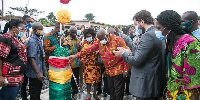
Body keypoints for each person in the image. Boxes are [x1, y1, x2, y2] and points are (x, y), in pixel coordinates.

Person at [113, 10, 166, 100]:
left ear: (142, 21)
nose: (136, 27)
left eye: (136, 24)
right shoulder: (156, 33)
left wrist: (123, 54)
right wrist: (130, 53)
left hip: (146, 84)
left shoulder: (148, 36)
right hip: (154, 82)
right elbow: (147, 55)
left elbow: (137, 61)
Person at [69, 29, 129, 100]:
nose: (101, 41)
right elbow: (88, 49)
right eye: (99, 39)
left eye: (102, 39)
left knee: (118, 92)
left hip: (118, 70)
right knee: (111, 92)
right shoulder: (100, 42)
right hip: (109, 71)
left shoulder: (118, 40)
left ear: (106, 35)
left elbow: (126, 54)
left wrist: (126, 70)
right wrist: (76, 56)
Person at [156, 10, 200, 100]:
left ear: (168, 28)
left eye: (159, 28)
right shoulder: (172, 42)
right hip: (174, 93)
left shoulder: (190, 43)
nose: (157, 31)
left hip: (186, 95)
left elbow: (194, 82)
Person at [0, 19, 27, 100]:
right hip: (9, 78)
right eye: (22, 29)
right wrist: (0, 76)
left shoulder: (16, 38)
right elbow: (0, 57)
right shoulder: (6, 38)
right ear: (14, 28)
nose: (23, 31)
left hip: (17, 77)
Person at [80, 28, 101, 100]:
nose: (88, 37)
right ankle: (88, 94)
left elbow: (100, 50)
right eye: (87, 36)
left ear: (93, 35)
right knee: (88, 81)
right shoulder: (84, 43)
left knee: (96, 80)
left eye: (90, 36)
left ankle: (95, 93)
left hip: (96, 64)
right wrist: (83, 60)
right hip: (87, 65)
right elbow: (82, 52)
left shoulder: (97, 41)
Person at [26, 22, 44, 100]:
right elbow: (31, 58)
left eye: (42, 29)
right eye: (40, 29)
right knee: (34, 92)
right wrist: (38, 72)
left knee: (38, 91)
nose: (41, 31)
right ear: (34, 30)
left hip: (39, 70)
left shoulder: (38, 39)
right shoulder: (33, 41)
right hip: (34, 73)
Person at [65, 26, 81, 99]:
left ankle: (75, 92)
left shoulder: (78, 39)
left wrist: (80, 47)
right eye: (73, 32)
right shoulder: (66, 40)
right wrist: (74, 50)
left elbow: (80, 50)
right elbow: (65, 52)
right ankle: (69, 93)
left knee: (76, 78)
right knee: (70, 79)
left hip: (77, 63)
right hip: (70, 63)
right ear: (70, 32)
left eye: (75, 32)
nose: (74, 34)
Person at [20, 15, 33, 100]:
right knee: (23, 81)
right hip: (22, 60)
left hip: (30, 59)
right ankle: (24, 97)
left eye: (30, 22)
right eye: (28, 22)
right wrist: (30, 37)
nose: (29, 23)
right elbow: (22, 44)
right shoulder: (20, 32)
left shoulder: (31, 30)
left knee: (31, 79)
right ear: (23, 22)